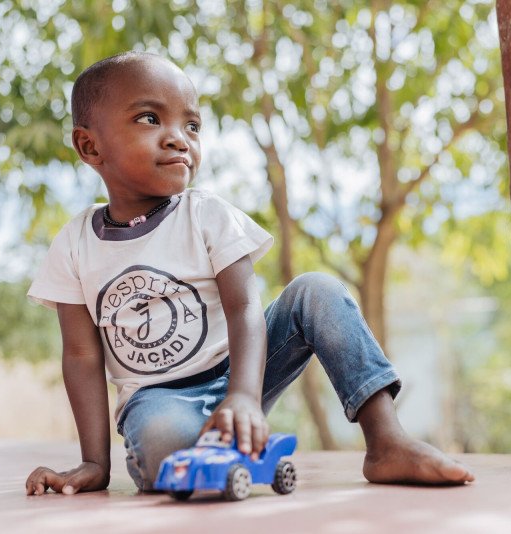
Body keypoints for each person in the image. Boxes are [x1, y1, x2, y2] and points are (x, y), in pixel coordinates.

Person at [24, 51, 475, 496]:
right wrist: (94, 463)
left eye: (192, 125)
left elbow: (245, 310)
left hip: (242, 370)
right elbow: (81, 357)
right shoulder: (75, 243)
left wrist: (242, 395)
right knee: (164, 441)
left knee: (316, 291)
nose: (178, 138)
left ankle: (386, 441)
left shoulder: (207, 214)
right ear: (89, 145)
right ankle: (212, 451)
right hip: (157, 399)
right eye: (149, 118)